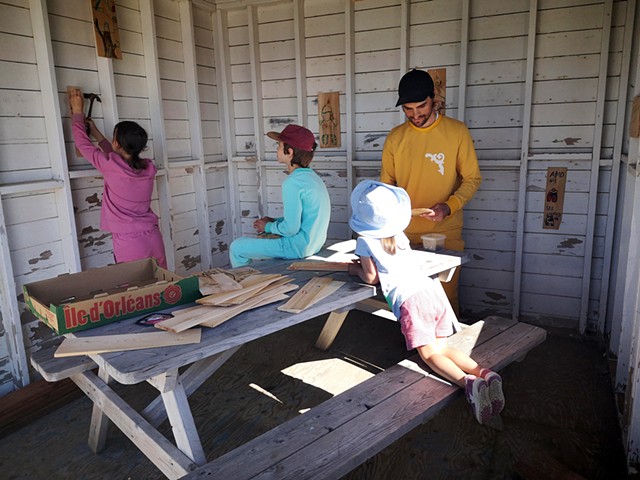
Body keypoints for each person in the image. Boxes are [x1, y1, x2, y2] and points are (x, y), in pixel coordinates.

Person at [347, 180, 503, 424]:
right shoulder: (399, 235)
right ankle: (485, 374)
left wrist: (353, 269)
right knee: (444, 348)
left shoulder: (364, 240)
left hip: (411, 299)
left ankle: (469, 384)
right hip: (431, 290)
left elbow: (370, 277)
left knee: (430, 355)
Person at [381, 68, 482, 315]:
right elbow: (387, 186)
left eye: (421, 106)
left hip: (445, 233)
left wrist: (449, 206)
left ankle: (449, 348)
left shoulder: (457, 131)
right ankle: (416, 351)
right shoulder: (395, 138)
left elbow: (472, 178)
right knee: (409, 303)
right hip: (404, 234)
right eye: (408, 109)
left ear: (434, 100)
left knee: (445, 300)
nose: (415, 115)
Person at [68, 88, 167, 268]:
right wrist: (97, 133)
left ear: (116, 143)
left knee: (136, 291)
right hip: (153, 237)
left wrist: (77, 112)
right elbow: (117, 157)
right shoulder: (147, 169)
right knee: (161, 285)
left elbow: (83, 144)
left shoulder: (111, 166)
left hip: (129, 242)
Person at [229, 124, 331, 267]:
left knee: (237, 247)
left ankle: (245, 284)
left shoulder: (292, 182)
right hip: (314, 244)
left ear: (289, 152)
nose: (276, 150)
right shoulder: (313, 178)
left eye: (278, 146)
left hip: (298, 247)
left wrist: (268, 227)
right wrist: (274, 221)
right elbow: (305, 217)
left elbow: (291, 229)